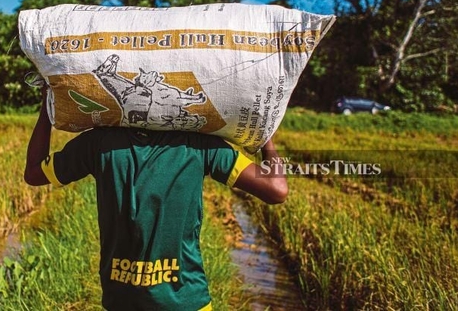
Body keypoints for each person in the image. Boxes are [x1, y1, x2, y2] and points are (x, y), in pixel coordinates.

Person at [25, 88, 288, 311]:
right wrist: (266, 136)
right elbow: (277, 189)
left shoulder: (99, 142)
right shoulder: (199, 145)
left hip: (122, 300)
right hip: (188, 301)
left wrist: (48, 107)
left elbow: (34, 173)